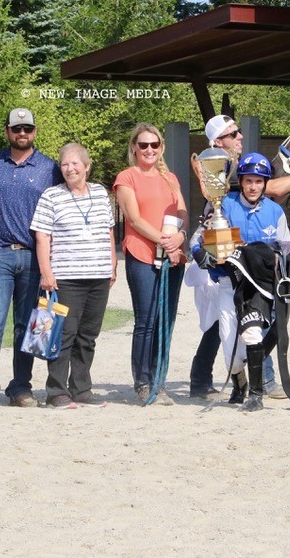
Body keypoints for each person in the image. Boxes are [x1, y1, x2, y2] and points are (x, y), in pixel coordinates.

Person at [187, 114, 290, 400]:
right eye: (233, 134)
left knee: (249, 328)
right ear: (218, 141)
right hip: (224, 254)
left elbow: (270, 201)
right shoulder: (219, 166)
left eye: (238, 133)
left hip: (253, 269)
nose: (240, 138)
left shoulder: (239, 167)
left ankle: (257, 381)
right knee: (222, 327)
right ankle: (225, 378)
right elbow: (275, 188)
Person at [188, 152, 290, 411]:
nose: (253, 186)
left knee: (252, 333)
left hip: (259, 287)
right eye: (248, 181)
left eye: (259, 181)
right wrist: (201, 255)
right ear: (241, 181)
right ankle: (239, 381)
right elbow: (196, 241)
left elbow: (288, 248)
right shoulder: (223, 205)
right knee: (231, 353)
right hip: (227, 283)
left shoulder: (275, 211)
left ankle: (256, 396)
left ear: (265, 183)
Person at [0, 108, 62, 410]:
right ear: (7, 131)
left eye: (27, 129)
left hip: (34, 257)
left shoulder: (50, 168)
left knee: (27, 325)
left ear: (34, 131)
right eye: (16, 129)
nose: (22, 134)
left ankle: (20, 387)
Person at [31, 143, 117, 409]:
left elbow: (109, 231)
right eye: (65, 164)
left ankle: (81, 388)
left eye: (75, 164)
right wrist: (46, 271)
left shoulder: (101, 193)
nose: (69, 169)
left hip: (98, 275)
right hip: (66, 276)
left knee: (88, 335)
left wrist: (112, 264)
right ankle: (56, 391)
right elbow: (42, 236)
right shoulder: (51, 196)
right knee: (61, 334)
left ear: (87, 167)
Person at [114, 123, 188, 406]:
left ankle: (161, 380)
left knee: (165, 322)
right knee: (146, 321)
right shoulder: (127, 178)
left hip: (172, 257)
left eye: (154, 145)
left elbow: (182, 211)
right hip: (142, 254)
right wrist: (163, 240)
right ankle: (143, 382)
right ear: (134, 147)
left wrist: (179, 237)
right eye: (143, 145)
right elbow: (134, 219)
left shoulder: (170, 178)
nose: (148, 150)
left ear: (161, 148)